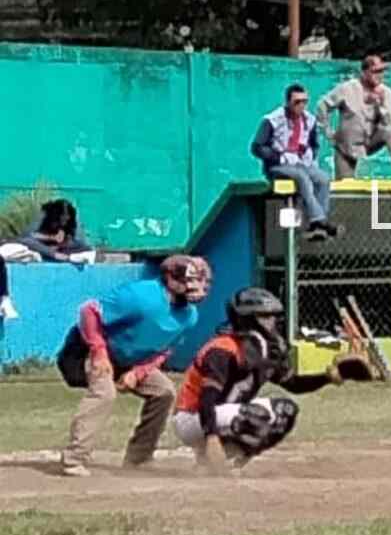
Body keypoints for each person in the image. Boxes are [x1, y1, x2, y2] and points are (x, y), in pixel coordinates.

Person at [56, 255, 212, 476]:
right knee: (104, 393)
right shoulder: (142, 295)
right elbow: (89, 311)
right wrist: (99, 351)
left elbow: (164, 350)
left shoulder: (189, 316)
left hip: (130, 360)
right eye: (191, 280)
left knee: (164, 392)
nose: (197, 287)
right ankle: (74, 458)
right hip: (88, 349)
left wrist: (138, 373)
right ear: (170, 279)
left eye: (201, 281)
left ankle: (138, 459)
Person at [173, 287, 343, 472]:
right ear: (248, 319)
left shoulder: (264, 350)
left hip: (222, 412)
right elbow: (207, 398)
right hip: (191, 417)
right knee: (255, 416)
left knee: (285, 411)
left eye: (273, 317)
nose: (272, 323)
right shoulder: (223, 349)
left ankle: (225, 463)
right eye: (265, 317)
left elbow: (293, 384)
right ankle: (210, 456)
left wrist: (328, 377)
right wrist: (212, 436)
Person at [252, 84, 337, 241]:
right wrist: (279, 156)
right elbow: (257, 147)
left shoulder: (309, 120)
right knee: (301, 177)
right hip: (278, 165)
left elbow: (313, 144)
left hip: (300, 162)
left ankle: (318, 224)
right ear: (288, 102)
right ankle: (319, 219)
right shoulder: (273, 120)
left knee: (323, 178)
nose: (301, 106)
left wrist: (309, 156)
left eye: (305, 101)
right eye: (297, 102)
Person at [315, 54, 391, 180]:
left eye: (381, 71)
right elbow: (322, 106)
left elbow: (389, 123)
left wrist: (380, 105)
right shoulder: (348, 88)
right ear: (364, 73)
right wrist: (328, 131)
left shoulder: (387, 93)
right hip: (347, 146)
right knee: (345, 188)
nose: (379, 75)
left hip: (372, 140)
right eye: (375, 72)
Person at [18, 199, 94, 262]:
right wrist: (52, 237)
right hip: (43, 247)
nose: (66, 218)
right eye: (63, 215)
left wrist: (63, 243)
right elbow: (29, 235)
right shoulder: (44, 216)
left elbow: (77, 240)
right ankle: (56, 255)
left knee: (85, 248)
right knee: (27, 241)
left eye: (68, 216)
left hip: (62, 249)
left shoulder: (71, 221)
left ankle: (60, 255)